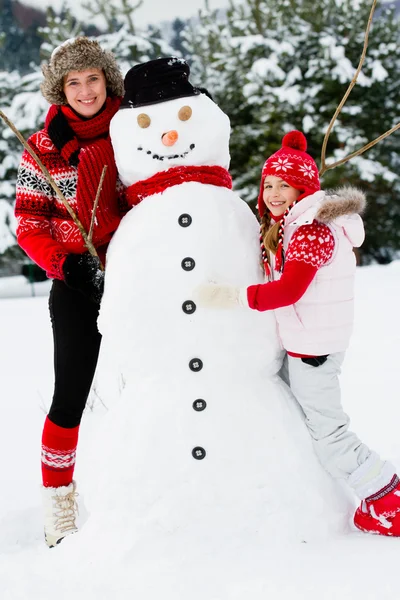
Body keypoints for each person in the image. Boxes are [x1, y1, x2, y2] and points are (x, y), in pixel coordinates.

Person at [196, 130, 400, 537]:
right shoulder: (297, 223)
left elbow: (290, 290)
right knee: (310, 423)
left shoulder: (311, 230)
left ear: (302, 189)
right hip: (309, 343)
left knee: (330, 435)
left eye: (283, 186)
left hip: (316, 349)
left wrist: (232, 296)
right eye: (268, 184)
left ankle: (387, 499)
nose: (272, 193)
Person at [14, 37, 128, 547]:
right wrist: (65, 265)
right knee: (70, 395)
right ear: (60, 90)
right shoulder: (40, 147)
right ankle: (58, 503)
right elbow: (28, 221)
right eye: (73, 82)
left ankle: (151, 488)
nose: (85, 90)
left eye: (93, 79)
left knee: (151, 385)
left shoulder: (133, 133)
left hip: (135, 280)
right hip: (75, 283)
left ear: (109, 82)